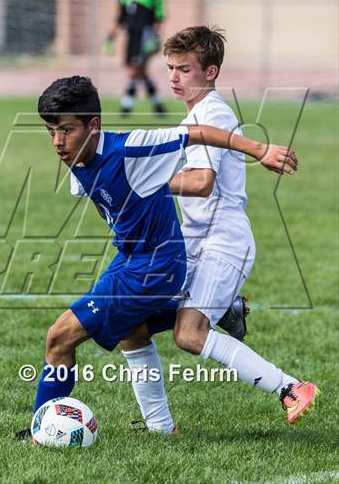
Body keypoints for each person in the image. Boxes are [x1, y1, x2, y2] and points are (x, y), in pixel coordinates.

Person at [15, 75, 296, 439]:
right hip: (131, 259)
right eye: (51, 131)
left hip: (154, 266)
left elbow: (202, 133)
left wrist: (261, 151)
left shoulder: (131, 148)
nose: (57, 142)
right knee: (131, 330)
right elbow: (106, 205)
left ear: (94, 125)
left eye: (66, 130)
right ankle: (162, 428)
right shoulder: (76, 160)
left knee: (59, 337)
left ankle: (42, 430)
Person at [120, 26, 319, 434]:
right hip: (193, 246)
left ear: (210, 72)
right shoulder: (195, 115)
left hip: (222, 244)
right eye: (170, 68)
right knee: (130, 324)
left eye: (184, 69)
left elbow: (200, 182)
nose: (173, 78)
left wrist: (139, 183)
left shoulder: (211, 113)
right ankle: (160, 428)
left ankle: (292, 387)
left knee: (189, 335)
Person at [107, 0, 166, 115]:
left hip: (145, 35)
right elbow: (121, 15)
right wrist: (112, 34)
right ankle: (158, 104)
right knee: (139, 71)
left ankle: (127, 106)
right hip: (131, 34)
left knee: (135, 69)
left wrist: (155, 31)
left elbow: (160, 11)